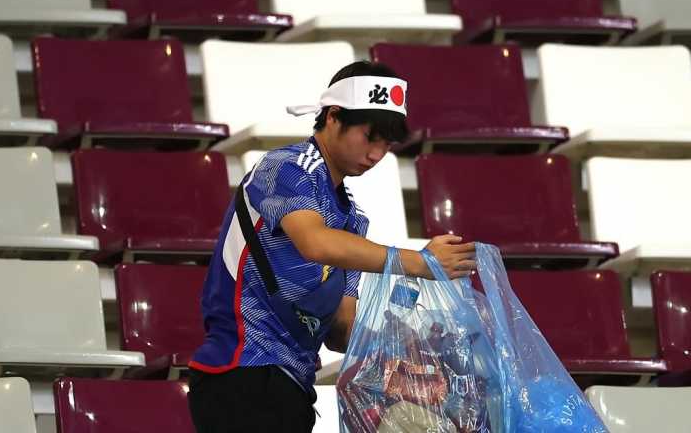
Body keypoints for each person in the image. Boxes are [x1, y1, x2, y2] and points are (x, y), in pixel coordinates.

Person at [187, 60, 477, 433]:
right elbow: (314, 242)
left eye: (386, 145)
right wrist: (419, 262)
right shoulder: (287, 167)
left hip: (293, 386)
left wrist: (406, 349)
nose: (376, 154)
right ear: (334, 117)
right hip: (241, 370)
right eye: (369, 137)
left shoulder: (352, 221)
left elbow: (341, 329)